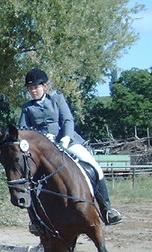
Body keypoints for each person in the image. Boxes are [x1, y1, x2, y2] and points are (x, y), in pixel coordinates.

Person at [17, 68, 123, 226]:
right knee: (30, 180)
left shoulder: (57, 100)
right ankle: (35, 220)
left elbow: (67, 120)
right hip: (43, 151)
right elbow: (23, 131)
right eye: (30, 89)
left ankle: (107, 209)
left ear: (45, 87)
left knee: (95, 167)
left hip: (66, 142)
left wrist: (65, 138)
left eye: (36, 87)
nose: (33, 91)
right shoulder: (27, 108)